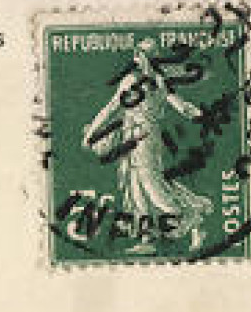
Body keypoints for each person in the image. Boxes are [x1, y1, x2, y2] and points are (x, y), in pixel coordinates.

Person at [80, 37, 211, 255]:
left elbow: (112, 108)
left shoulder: (145, 81)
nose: (138, 59)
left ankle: (194, 220)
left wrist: (92, 132)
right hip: (133, 135)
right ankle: (146, 238)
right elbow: (180, 106)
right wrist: (196, 113)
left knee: (152, 186)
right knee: (136, 188)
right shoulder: (155, 80)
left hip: (143, 137)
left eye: (141, 55)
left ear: (142, 57)